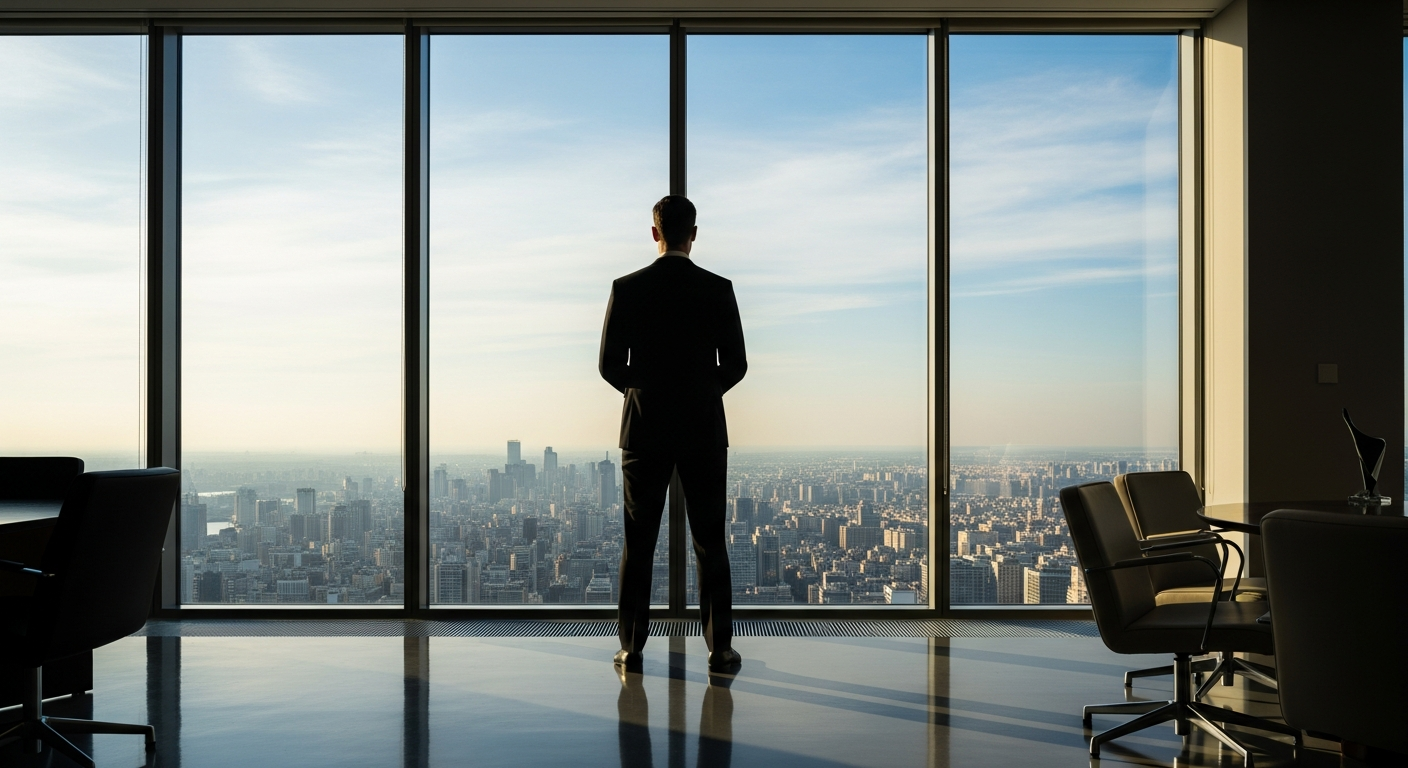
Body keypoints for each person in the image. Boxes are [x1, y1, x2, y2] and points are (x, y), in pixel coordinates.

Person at [598, 195, 747, 673]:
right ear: (695, 234)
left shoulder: (627, 288)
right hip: (703, 428)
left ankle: (631, 648)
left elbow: (607, 365)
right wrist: (702, 393)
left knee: (638, 544)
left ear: (654, 232)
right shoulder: (718, 288)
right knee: (709, 541)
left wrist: (643, 392)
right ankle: (719, 649)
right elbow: (737, 365)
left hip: (644, 431)